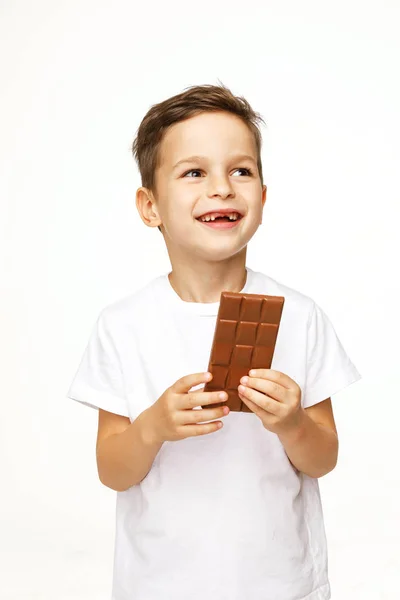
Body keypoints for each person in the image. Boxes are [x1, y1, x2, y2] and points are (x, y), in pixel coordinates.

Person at [67, 83, 362, 600]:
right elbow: (112, 470)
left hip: (281, 584)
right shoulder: (123, 326)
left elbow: (324, 458)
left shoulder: (301, 316)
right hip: (160, 586)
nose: (222, 188)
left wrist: (292, 424)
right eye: (194, 172)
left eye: (241, 170)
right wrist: (153, 426)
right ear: (150, 206)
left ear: (263, 200)